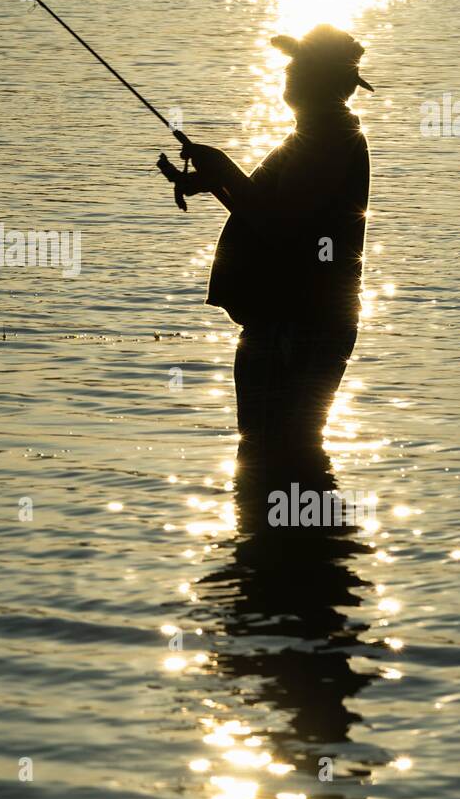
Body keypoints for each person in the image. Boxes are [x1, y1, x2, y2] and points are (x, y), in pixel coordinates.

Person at [158, 24, 373, 472]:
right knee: (269, 453)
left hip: (301, 321)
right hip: (285, 318)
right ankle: (290, 538)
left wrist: (223, 168)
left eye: (299, 65)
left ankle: (292, 540)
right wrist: (216, 181)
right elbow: (270, 216)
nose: (288, 72)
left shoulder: (329, 139)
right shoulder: (315, 135)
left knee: (279, 454)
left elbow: (282, 225)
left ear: (321, 78)